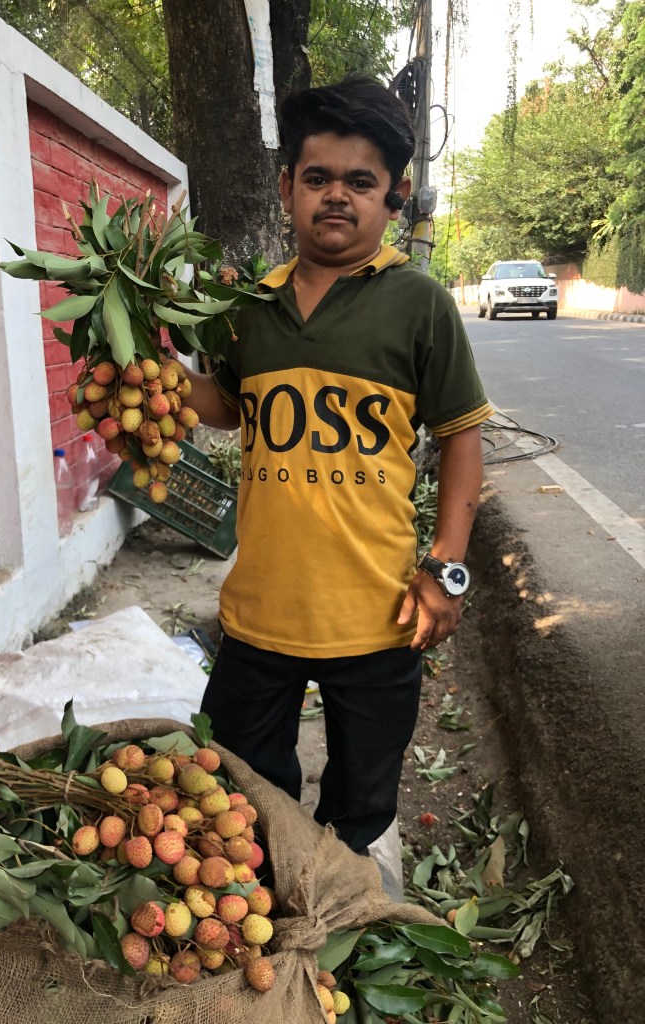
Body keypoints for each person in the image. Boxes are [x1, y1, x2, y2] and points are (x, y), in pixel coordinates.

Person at [183, 74, 492, 855]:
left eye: (362, 182)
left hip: (378, 617)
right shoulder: (248, 305)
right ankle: (279, 884)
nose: (336, 197)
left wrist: (446, 568)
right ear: (287, 186)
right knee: (244, 786)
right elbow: (226, 404)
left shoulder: (419, 304)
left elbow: (461, 436)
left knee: (361, 798)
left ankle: (343, 894)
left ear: (396, 197)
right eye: (317, 177)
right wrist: (153, 377)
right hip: (261, 610)